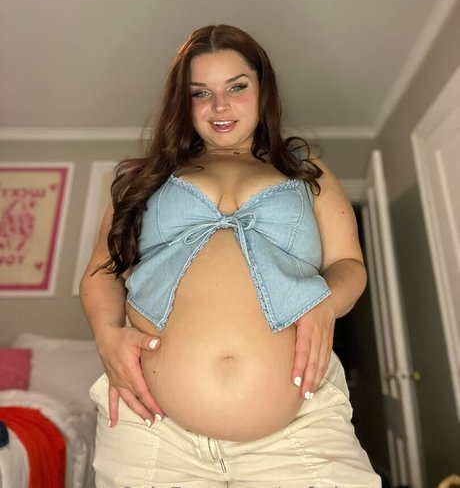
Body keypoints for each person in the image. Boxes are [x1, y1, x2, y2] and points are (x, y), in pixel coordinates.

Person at [80, 24, 381, 487]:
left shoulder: (306, 171)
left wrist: (326, 305)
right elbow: (102, 271)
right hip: (153, 431)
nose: (219, 106)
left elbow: (349, 266)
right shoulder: (145, 177)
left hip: (301, 429)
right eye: (201, 93)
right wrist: (106, 335)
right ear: (184, 103)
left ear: (263, 90)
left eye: (236, 87)